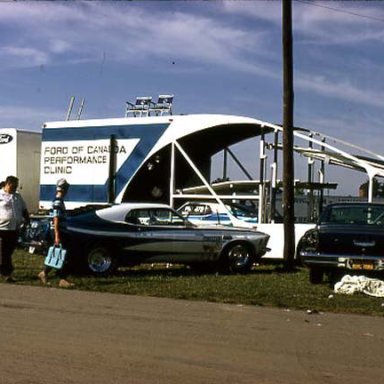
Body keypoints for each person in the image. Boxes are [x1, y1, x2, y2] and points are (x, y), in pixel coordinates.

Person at [38, 178, 74, 288]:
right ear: (64, 189)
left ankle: (46, 273)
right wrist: (57, 235)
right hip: (58, 231)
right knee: (61, 253)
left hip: (58, 230)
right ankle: (61, 278)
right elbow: (56, 218)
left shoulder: (58, 200)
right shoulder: (58, 201)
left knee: (58, 253)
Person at [0, 175, 30, 282]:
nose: (15, 189)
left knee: (9, 251)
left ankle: (4, 269)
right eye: (13, 186)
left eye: (16, 187)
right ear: (7, 184)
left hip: (14, 229)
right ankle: (7, 274)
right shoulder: (0, 195)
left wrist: (27, 219)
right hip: (2, 229)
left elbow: (24, 208)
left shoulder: (17, 196)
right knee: (4, 252)